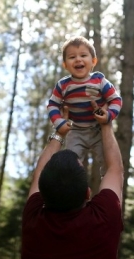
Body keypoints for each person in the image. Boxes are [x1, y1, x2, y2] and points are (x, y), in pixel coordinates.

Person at [21, 102, 124, 259]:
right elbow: (115, 169)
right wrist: (105, 124)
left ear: (42, 194)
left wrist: (60, 133)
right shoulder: (103, 218)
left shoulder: (33, 219)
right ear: (88, 193)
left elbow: (38, 174)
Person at [47, 36, 122, 175]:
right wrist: (59, 123)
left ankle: (106, 188)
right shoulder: (63, 85)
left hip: (98, 129)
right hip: (75, 131)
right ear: (65, 64)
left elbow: (116, 100)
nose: (78, 59)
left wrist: (109, 116)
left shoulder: (99, 80)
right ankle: (77, 190)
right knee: (71, 164)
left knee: (108, 161)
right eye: (72, 57)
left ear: (93, 61)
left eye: (83, 55)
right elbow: (52, 104)